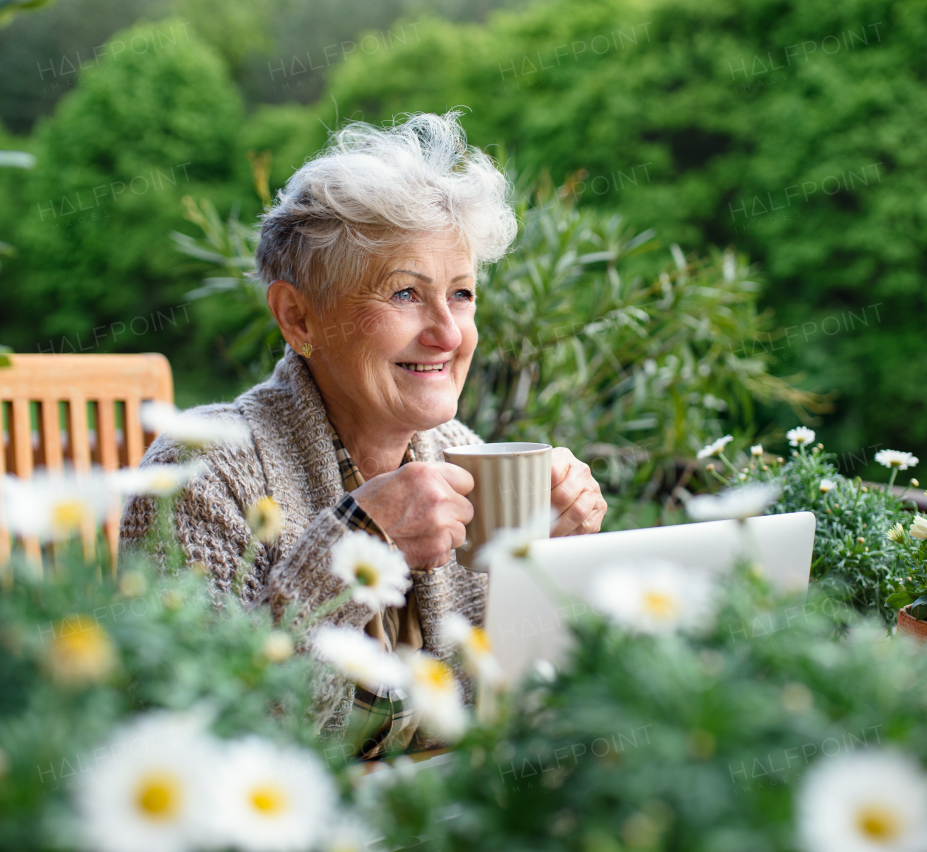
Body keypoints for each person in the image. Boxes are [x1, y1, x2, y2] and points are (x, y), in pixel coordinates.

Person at [120, 112, 607, 755]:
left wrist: (554, 562)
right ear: (298, 317)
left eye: (461, 294)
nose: (449, 332)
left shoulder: (463, 454)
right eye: (406, 294)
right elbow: (191, 730)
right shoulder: (202, 469)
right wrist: (353, 546)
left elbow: (517, 702)